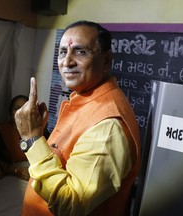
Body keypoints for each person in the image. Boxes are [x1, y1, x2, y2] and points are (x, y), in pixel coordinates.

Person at [14, 20, 141, 216]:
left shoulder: (108, 126)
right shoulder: (85, 100)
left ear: (106, 61)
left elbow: (71, 206)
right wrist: (39, 133)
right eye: (63, 52)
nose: (67, 62)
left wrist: (32, 140)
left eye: (80, 52)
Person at [0, 95, 30, 180]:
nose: (20, 112)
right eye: (16, 108)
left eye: (25, 108)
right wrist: (14, 171)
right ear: (10, 111)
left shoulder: (37, 132)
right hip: (6, 179)